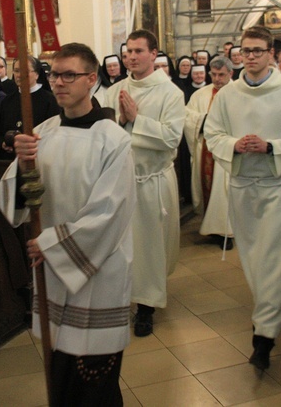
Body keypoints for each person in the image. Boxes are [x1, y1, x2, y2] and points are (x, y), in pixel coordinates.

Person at [0, 42, 135, 406]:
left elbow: (110, 212)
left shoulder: (114, 141)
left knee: (95, 381)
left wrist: (50, 244)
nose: (58, 82)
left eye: (69, 75)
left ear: (91, 79)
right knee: (62, 371)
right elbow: (20, 197)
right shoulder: (43, 133)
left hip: (98, 269)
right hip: (55, 273)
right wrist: (25, 166)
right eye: (54, 74)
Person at [205, 26, 281, 370]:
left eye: (258, 50)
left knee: (278, 264)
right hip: (243, 189)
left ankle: (264, 338)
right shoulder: (228, 94)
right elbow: (213, 133)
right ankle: (265, 318)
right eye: (246, 51)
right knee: (255, 262)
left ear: (271, 52)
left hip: (278, 189)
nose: (251, 56)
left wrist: (272, 147)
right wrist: (233, 145)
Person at [103, 29, 185, 337]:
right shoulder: (115, 90)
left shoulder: (170, 93)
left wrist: (136, 119)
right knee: (121, 244)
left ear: (154, 54)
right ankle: (123, 297)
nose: (132, 57)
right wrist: (120, 121)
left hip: (152, 180)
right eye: (128, 52)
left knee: (150, 247)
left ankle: (147, 308)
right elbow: (104, 131)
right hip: (121, 180)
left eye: (138, 51)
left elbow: (171, 138)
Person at [184, 56, 234, 249]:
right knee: (208, 189)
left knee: (224, 192)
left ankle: (226, 232)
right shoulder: (200, 94)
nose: (217, 78)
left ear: (230, 73)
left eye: (221, 74)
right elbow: (188, 116)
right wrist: (204, 121)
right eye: (213, 74)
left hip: (227, 151)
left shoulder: (239, 93)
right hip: (205, 148)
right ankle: (212, 228)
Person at [0, 56, 60, 157]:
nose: (19, 75)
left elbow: (54, 133)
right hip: (11, 159)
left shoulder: (50, 100)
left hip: (39, 156)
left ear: (36, 74)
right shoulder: (7, 101)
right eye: (17, 71)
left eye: (25, 71)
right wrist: (3, 143)